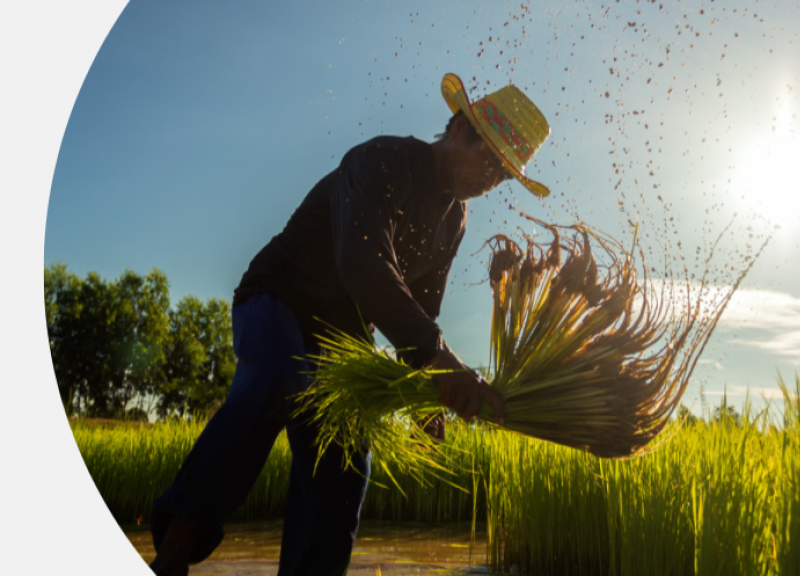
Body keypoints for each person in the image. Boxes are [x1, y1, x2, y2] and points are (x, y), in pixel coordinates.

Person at [147, 73, 552, 576]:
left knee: (345, 464)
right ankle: (178, 544)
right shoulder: (383, 159)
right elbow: (362, 260)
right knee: (276, 379)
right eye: (488, 158)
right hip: (279, 299)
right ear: (457, 128)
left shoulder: (455, 220)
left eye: (503, 174)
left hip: (340, 340)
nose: (491, 177)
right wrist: (438, 358)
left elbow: (424, 310)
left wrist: (425, 387)